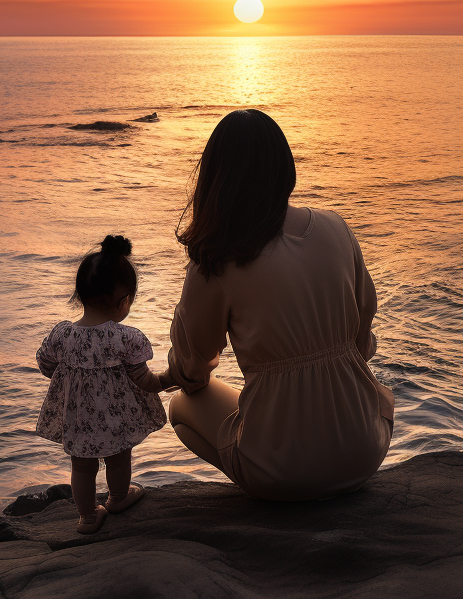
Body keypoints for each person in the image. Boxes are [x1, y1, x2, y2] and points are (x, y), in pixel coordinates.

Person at [167, 109, 394, 501]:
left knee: (181, 404)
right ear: (284, 166)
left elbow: (193, 371)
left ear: (216, 178)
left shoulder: (216, 260)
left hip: (283, 472)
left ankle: (267, 487)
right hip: (364, 450)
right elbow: (363, 342)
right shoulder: (336, 227)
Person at [35, 234, 172, 534]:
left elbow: (45, 364)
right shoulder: (125, 338)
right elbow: (143, 379)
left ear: (79, 294)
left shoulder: (63, 334)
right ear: (124, 301)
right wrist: (170, 379)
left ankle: (86, 518)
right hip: (116, 419)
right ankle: (118, 498)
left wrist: (66, 378)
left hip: (78, 418)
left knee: (82, 467)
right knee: (119, 458)